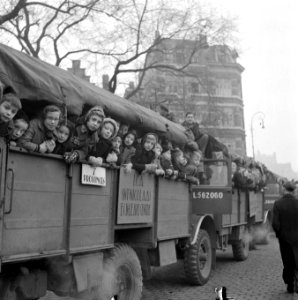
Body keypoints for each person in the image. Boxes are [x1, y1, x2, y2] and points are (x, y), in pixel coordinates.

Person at [272, 181, 298, 294]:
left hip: (284, 239)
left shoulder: (278, 204)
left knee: (287, 261)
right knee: (297, 259)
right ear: (293, 190)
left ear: (284, 189)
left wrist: (279, 235)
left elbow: (275, 224)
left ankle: (290, 284)